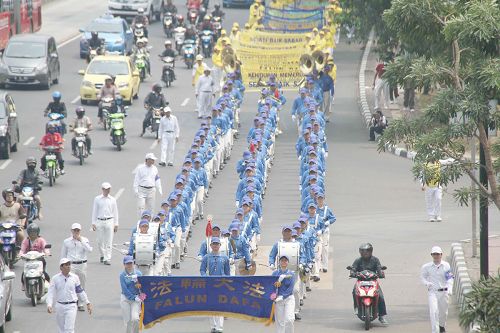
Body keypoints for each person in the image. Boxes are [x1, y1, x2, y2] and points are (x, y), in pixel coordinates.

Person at [47, 258, 92, 333]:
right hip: (59, 306)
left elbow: (80, 291)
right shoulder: (55, 278)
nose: (68, 266)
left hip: (71, 306)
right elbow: (50, 293)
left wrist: (87, 302)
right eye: (66, 265)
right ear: (61, 267)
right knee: (61, 329)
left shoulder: (75, 277)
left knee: (69, 329)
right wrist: (49, 304)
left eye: (69, 265)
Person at [349, 243, 388, 324]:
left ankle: (381, 316)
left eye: (366, 251)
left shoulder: (375, 260)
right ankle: (356, 307)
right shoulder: (358, 260)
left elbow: (379, 268)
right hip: (360, 281)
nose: (364, 253)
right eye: (362, 251)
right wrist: (352, 272)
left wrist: (381, 273)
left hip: (372, 281)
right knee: (354, 292)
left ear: (370, 251)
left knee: (380, 296)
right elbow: (353, 268)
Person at [200, 237, 230, 333]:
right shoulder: (207, 257)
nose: (215, 246)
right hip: (210, 284)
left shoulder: (225, 258)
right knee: (211, 305)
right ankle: (213, 326)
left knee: (220, 305)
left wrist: (226, 279)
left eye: (217, 244)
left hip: (221, 284)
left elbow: (227, 272)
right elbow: (202, 270)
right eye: (214, 244)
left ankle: (219, 327)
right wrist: (205, 277)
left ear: (220, 245)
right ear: (211, 245)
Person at [420, 246, 454, 333]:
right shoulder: (426, 267)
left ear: (441, 255)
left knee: (443, 313)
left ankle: (441, 326)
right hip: (433, 292)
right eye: (434, 254)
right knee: (434, 312)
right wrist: (427, 283)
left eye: (438, 254)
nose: (436, 256)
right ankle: (435, 331)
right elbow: (422, 278)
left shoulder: (446, 265)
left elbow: (449, 278)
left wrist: (450, 288)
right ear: (431, 255)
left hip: (444, 292)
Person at [60, 223, 92, 311]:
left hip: (82, 264)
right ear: (71, 231)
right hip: (71, 265)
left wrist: (81, 240)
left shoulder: (84, 240)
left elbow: (89, 250)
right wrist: (62, 266)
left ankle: (81, 303)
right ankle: (72, 300)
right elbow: (63, 255)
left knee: (81, 284)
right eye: (75, 230)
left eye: (78, 230)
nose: (76, 232)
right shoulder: (66, 241)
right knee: (70, 283)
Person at [92, 182, 119, 265]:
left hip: (109, 221)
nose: (107, 191)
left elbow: (115, 212)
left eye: (108, 189)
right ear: (102, 189)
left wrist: (116, 224)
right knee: (100, 241)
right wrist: (93, 222)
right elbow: (94, 211)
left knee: (109, 241)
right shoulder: (97, 199)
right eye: (105, 189)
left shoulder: (112, 199)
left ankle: (107, 258)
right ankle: (102, 255)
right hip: (100, 221)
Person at [19, 223, 51, 289]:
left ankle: (48, 283)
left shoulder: (41, 240)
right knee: (24, 273)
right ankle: (23, 284)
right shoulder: (26, 240)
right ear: (28, 233)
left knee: (44, 272)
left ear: (37, 232)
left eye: (34, 232)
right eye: (31, 232)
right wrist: (20, 254)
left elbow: (45, 247)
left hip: (39, 258)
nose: (33, 234)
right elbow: (22, 249)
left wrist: (47, 253)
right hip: (29, 259)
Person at [272, 255, 296, 333]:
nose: (284, 262)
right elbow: (271, 285)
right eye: (282, 260)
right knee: (280, 322)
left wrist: (283, 297)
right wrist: (273, 296)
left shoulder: (291, 274)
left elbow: (290, 289)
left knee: (289, 319)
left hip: (288, 298)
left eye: (285, 261)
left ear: (288, 262)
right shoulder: (275, 273)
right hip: (278, 299)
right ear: (279, 262)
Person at [120, 255, 143, 333]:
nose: (129, 265)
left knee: (135, 319)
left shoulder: (139, 273)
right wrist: (133, 297)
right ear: (124, 264)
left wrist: (137, 283)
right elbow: (124, 289)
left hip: (136, 299)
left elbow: (142, 287)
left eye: (131, 263)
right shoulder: (122, 275)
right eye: (127, 263)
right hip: (125, 299)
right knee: (128, 321)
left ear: (133, 263)